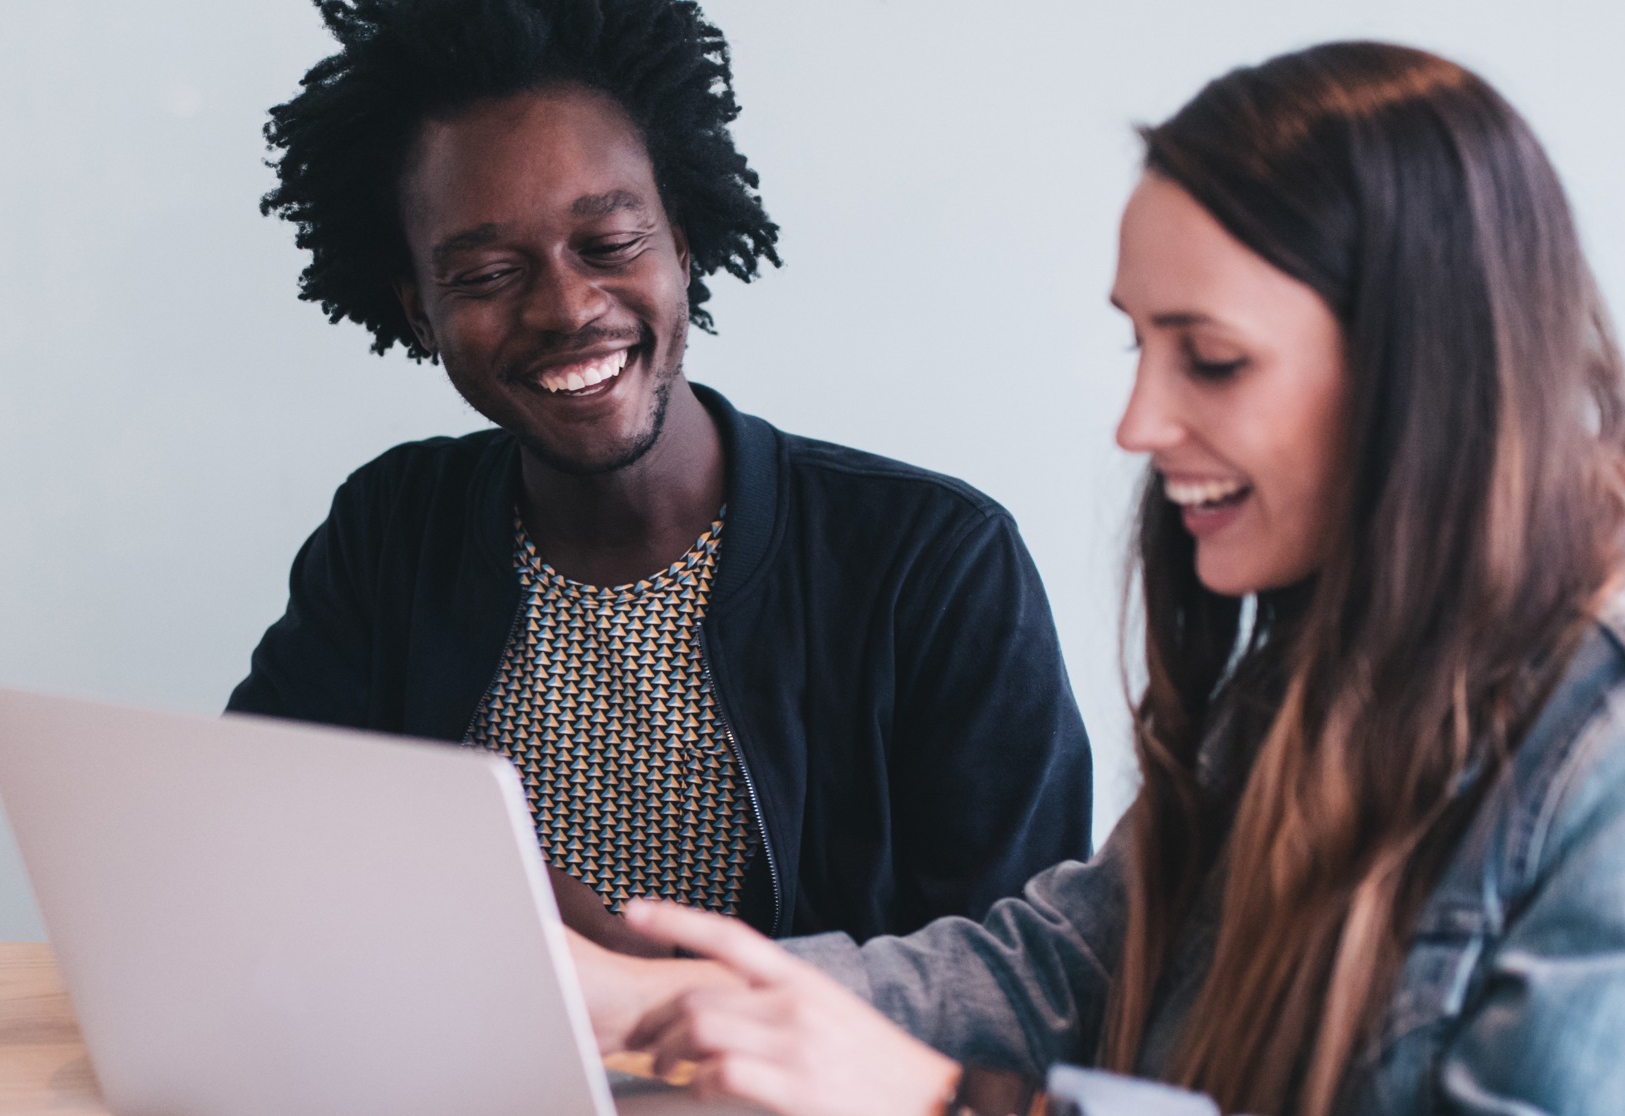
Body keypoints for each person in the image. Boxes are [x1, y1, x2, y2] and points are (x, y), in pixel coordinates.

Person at [569, 40, 1625, 1116]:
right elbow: (1068, 969)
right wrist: (654, 1003)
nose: (1140, 423)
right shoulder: (1335, 644)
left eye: (1213, 359)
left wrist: (944, 1103)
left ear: (1423, 365)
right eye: (1136, 345)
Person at [226, 0, 1093, 957]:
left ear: (683, 245)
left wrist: (625, 970)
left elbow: (1019, 982)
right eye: (486, 275)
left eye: (609, 247)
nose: (566, 307)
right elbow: (257, 839)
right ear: (419, 312)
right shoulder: (391, 529)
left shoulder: (933, 562)